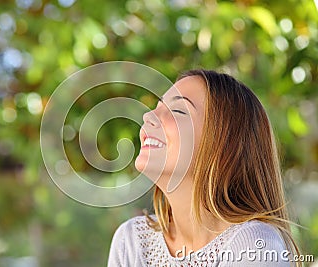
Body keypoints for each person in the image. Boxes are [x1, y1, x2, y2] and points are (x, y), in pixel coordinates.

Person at [107, 69, 300, 266]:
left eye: (178, 111)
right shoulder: (131, 240)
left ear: (224, 146)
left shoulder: (256, 246)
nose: (149, 115)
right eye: (158, 106)